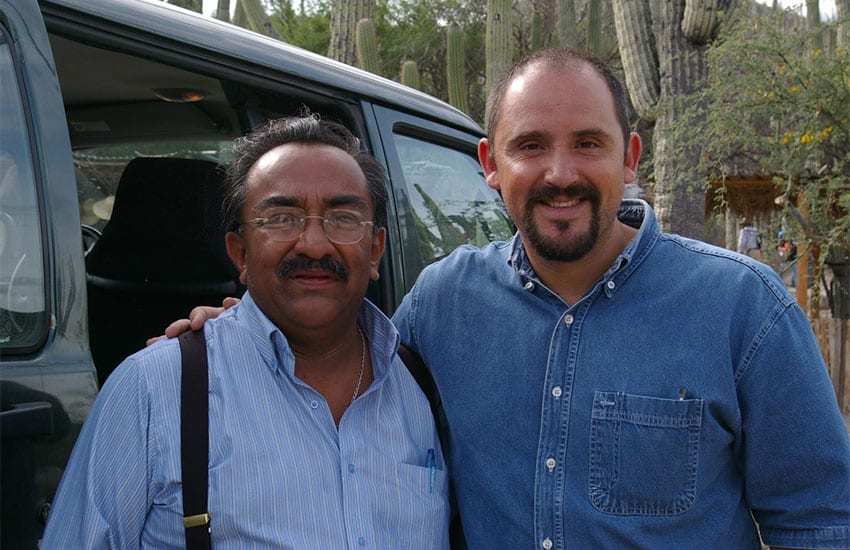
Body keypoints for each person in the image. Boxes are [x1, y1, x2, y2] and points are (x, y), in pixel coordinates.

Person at [161, 49, 850, 548]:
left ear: (630, 158)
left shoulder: (743, 308)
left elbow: (819, 520)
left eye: (588, 144)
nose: (560, 173)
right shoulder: (443, 301)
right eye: (531, 146)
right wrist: (240, 336)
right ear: (491, 165)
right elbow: (345, 385)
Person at [42, 115, 450, 548]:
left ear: (375, 250)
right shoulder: (153, 390)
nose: (313, 244)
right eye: (280, 218)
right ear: (239, 252)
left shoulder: (422, 385)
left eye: (343, 218)